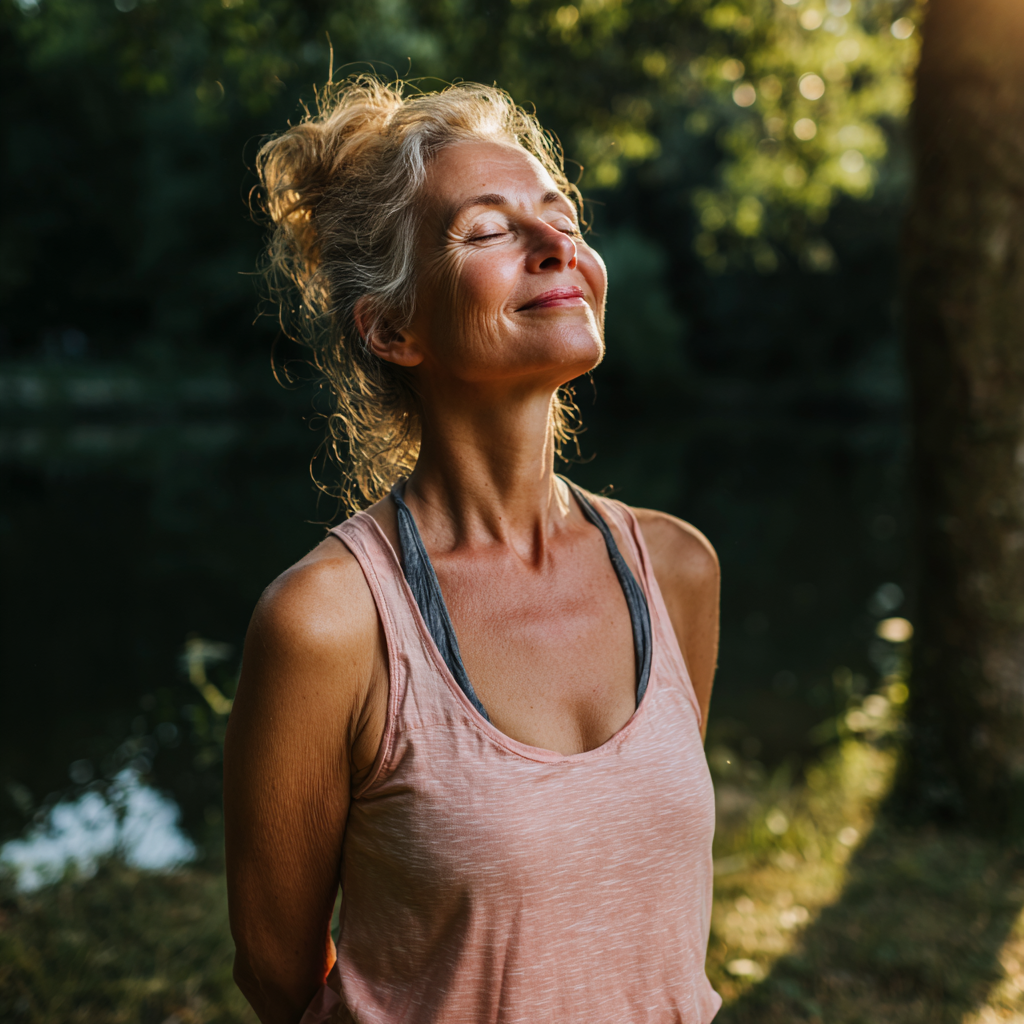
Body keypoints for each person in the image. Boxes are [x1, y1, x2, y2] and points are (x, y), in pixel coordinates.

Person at [223, 77, 722, 1024]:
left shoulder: (677, 571)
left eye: (561, 215)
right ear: (393, 329)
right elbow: (276, 970)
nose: (556, 246)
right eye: (489, 230)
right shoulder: (329, 623)